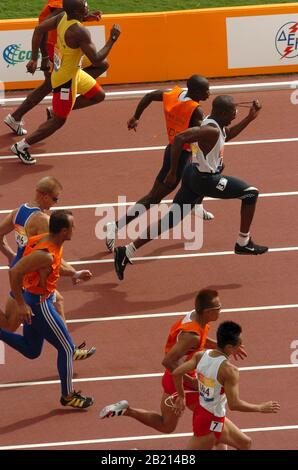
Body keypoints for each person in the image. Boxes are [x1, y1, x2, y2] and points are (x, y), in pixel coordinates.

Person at [114, 96, 268, 280]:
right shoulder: (210, 130)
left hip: (192, 173)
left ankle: (127, 251)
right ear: (223, 113)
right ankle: (243, 242)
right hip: (206, 180)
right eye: (233, 112)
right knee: (251, 193)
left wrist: (250, 118)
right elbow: (179, 138)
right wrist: (172, 171)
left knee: (171, 219)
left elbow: (227, 133)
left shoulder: (213, 122)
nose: (236, 114)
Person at [99, 289, 246, 439]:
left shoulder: (196, 317)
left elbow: (201, 342)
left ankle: (127, 410)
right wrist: (191, 384)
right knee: (213, 416)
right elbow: (168, 361)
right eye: (218, 308)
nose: (221, 310)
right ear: (208, 312)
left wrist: (224, 347)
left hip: (174, 378)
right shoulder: (191, 336)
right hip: (180, 381)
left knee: (166, 425)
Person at [105, 75, 213, 253]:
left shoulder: (174, 94)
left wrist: (135, 117)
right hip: (177, 156)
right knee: (153, 198)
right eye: (205, 90)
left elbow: (149, 96)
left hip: (184, 152)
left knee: (207, 171)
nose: (209, 93)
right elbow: (203, 135)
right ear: (195, 92)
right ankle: (115, 226)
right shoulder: (196, 111)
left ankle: (196, 204)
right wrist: (172, 171)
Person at [0, 210, 95, 408]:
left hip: (34, 298)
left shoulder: (46, 241)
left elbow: (54, 265)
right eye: (72, 226)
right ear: (62, 231)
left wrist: (74, 273)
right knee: (67, 348)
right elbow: (15, 271)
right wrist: (20, 303)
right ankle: (68, 396)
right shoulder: (46, 255)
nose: (74, 229)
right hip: (39, 304)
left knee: (31, 349)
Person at [10, 0, 121, 164]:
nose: (87, 6)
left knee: (98, 95)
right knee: (59, 121)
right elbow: (96, 59)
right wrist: (112, 39)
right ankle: (21, 146)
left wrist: (34, 58)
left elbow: (39, 29)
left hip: (72, 72)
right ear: (76, 12)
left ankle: (53, 109)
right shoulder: (79, 32)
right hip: (65, 82)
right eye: (84, 6)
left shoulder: (63, 16)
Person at [0, 176, 94, 360]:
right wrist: (74, 272)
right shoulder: (42, 220)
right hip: (29, 279)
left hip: (22, 274)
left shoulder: (18, 212)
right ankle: (70, 349)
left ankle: (70, 349)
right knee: (56, 301)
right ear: (43, 195)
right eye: (55, 199)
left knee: (9, 327)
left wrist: (11, 255)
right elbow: (51, 256)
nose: (55, 203)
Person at [172, 321, 280, 450]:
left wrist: (181, 396)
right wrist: (260, 407)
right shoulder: (229, 371)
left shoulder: (200, 356)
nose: (242, 346)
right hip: (210, 422)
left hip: (206, 413)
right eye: (239, 344)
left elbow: (176, 373)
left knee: (245, 443)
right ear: (229, 347)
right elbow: (234, 404)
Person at [4, 1, 104, 137]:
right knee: (49, 85)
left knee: (102, 64)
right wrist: (43, 56)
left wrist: (85, 17)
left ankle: (65, 96)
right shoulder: (59, 4)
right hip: (53, 47)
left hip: (60, 45)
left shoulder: (68, 4)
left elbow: (68, 16)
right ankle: (16, 116)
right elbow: (42, 27)